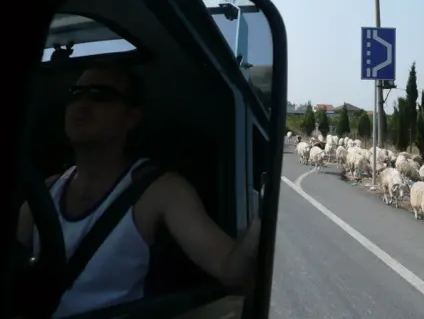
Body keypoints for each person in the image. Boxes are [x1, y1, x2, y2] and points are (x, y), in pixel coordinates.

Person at [16, 62, 261, 318]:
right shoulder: (45, 191)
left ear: (131, 117)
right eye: (75, 94)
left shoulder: (160, 191)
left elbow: (231, 270)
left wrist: (263, 217)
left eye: (100, 94)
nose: (82, 103)